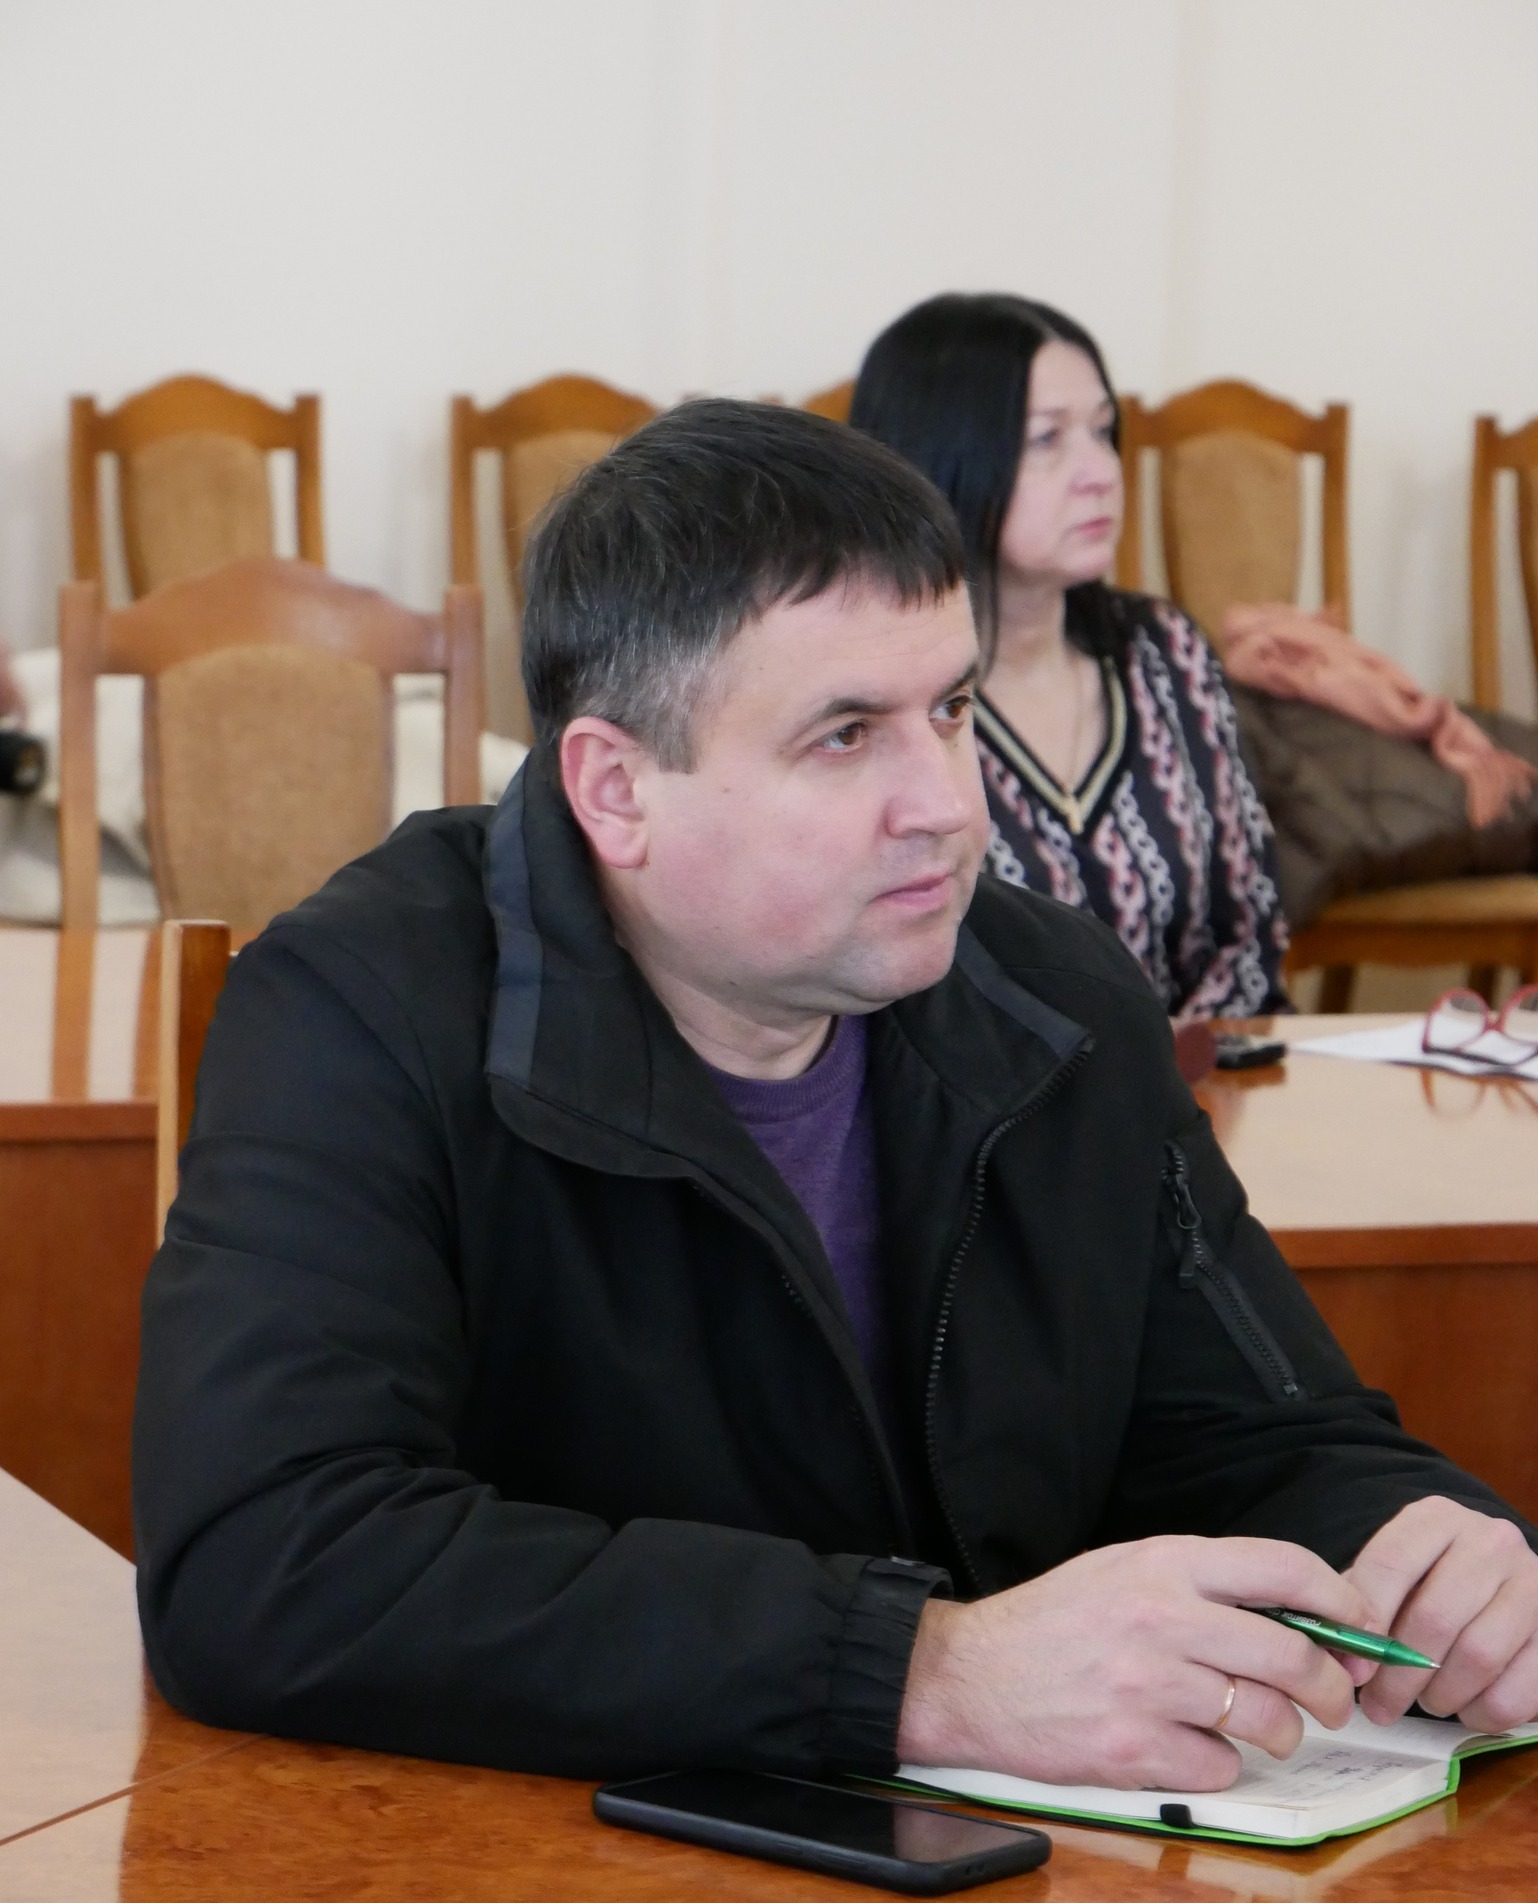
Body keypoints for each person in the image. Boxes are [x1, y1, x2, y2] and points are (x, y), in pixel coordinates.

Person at [135, 400, 1538, 1798]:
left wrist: (1438, 1561)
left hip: (1015, 1882)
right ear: (614, 788)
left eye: (951, 709)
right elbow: (266, 1558)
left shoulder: (1056, 1000)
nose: (947, 804)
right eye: (845, 735)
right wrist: (925, 1672)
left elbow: (1259, 1432)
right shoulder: (357, 1012)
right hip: (547, 1875)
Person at [850, 293, 1289, 1019]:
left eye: (1103, 432)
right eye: (1048, 439)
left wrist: (1167, 1068)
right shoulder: (878, 699)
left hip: (1200, 1073)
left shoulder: (1165, 653)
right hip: (986, 1087)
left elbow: (1250, 926)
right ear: (943, 458)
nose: (1101, 472)